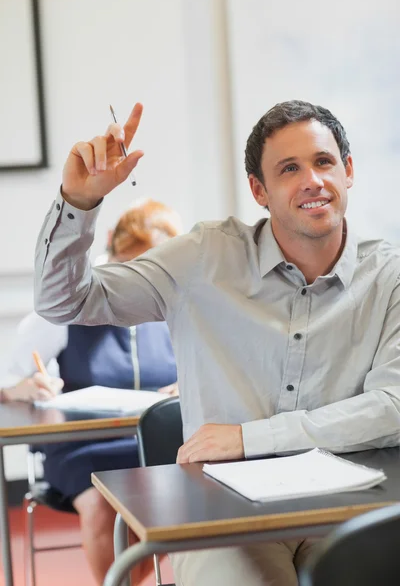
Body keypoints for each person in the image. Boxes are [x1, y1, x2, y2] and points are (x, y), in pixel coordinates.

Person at [34, 100, 400, 586]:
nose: (312, 179)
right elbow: (65, 303)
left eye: (323, 161)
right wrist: (78, 205)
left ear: (348, 171)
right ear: (259, 190)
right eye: (289, 168)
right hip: (226, 517)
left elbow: (392, 406)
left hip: (353, 508)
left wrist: (249, 438)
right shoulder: (204, 258)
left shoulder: (389, 276)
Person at [1, 198, 180, 584]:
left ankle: (123, 580)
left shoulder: (176, 302)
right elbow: (7, 381)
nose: (139, 280)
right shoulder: (71, 299)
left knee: (188, 500)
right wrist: (26, 388)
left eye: (152, 271)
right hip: (82, 446)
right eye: (130, 266)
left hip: (155, 443)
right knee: (102, 504)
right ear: (112, 247)